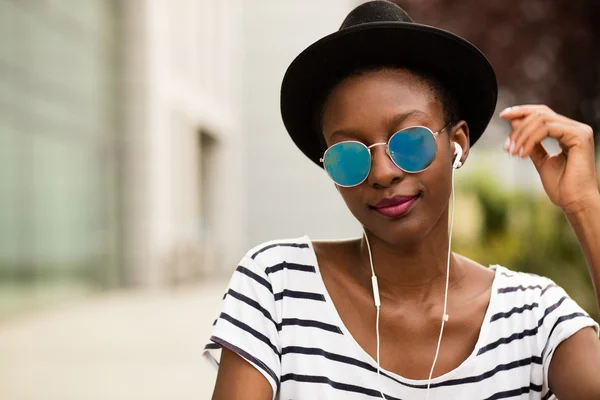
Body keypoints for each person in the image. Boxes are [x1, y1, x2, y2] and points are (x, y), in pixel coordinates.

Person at [204, 1, 600, 399]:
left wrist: (585, 206)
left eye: (409, 142)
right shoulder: (278, 287)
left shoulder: (533, 318)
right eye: (349, 155)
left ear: (457, 144)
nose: (382, 173)